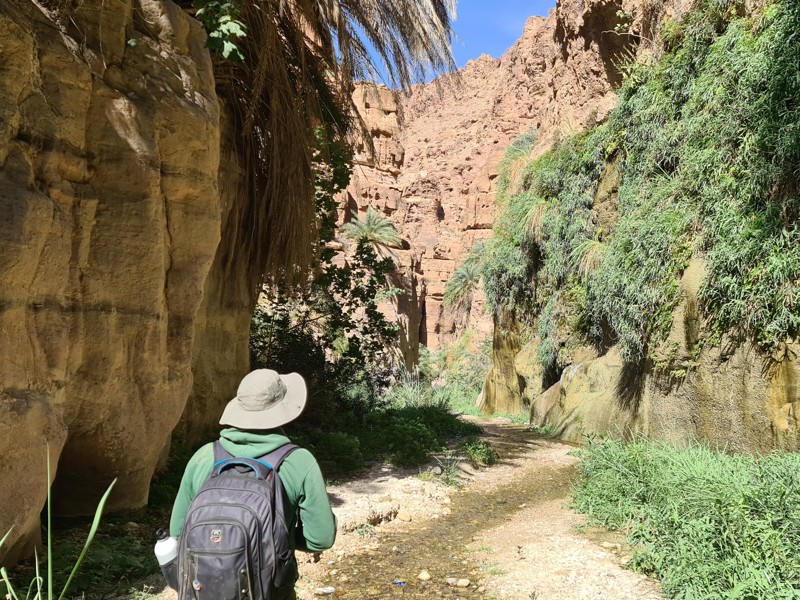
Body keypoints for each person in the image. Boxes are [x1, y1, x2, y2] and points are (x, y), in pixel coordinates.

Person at [169, 369, 337, 599]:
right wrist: (275, 537)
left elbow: (178, 532)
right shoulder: (299, 461)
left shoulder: (203, 457)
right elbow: (322, 538)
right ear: (282, 410)